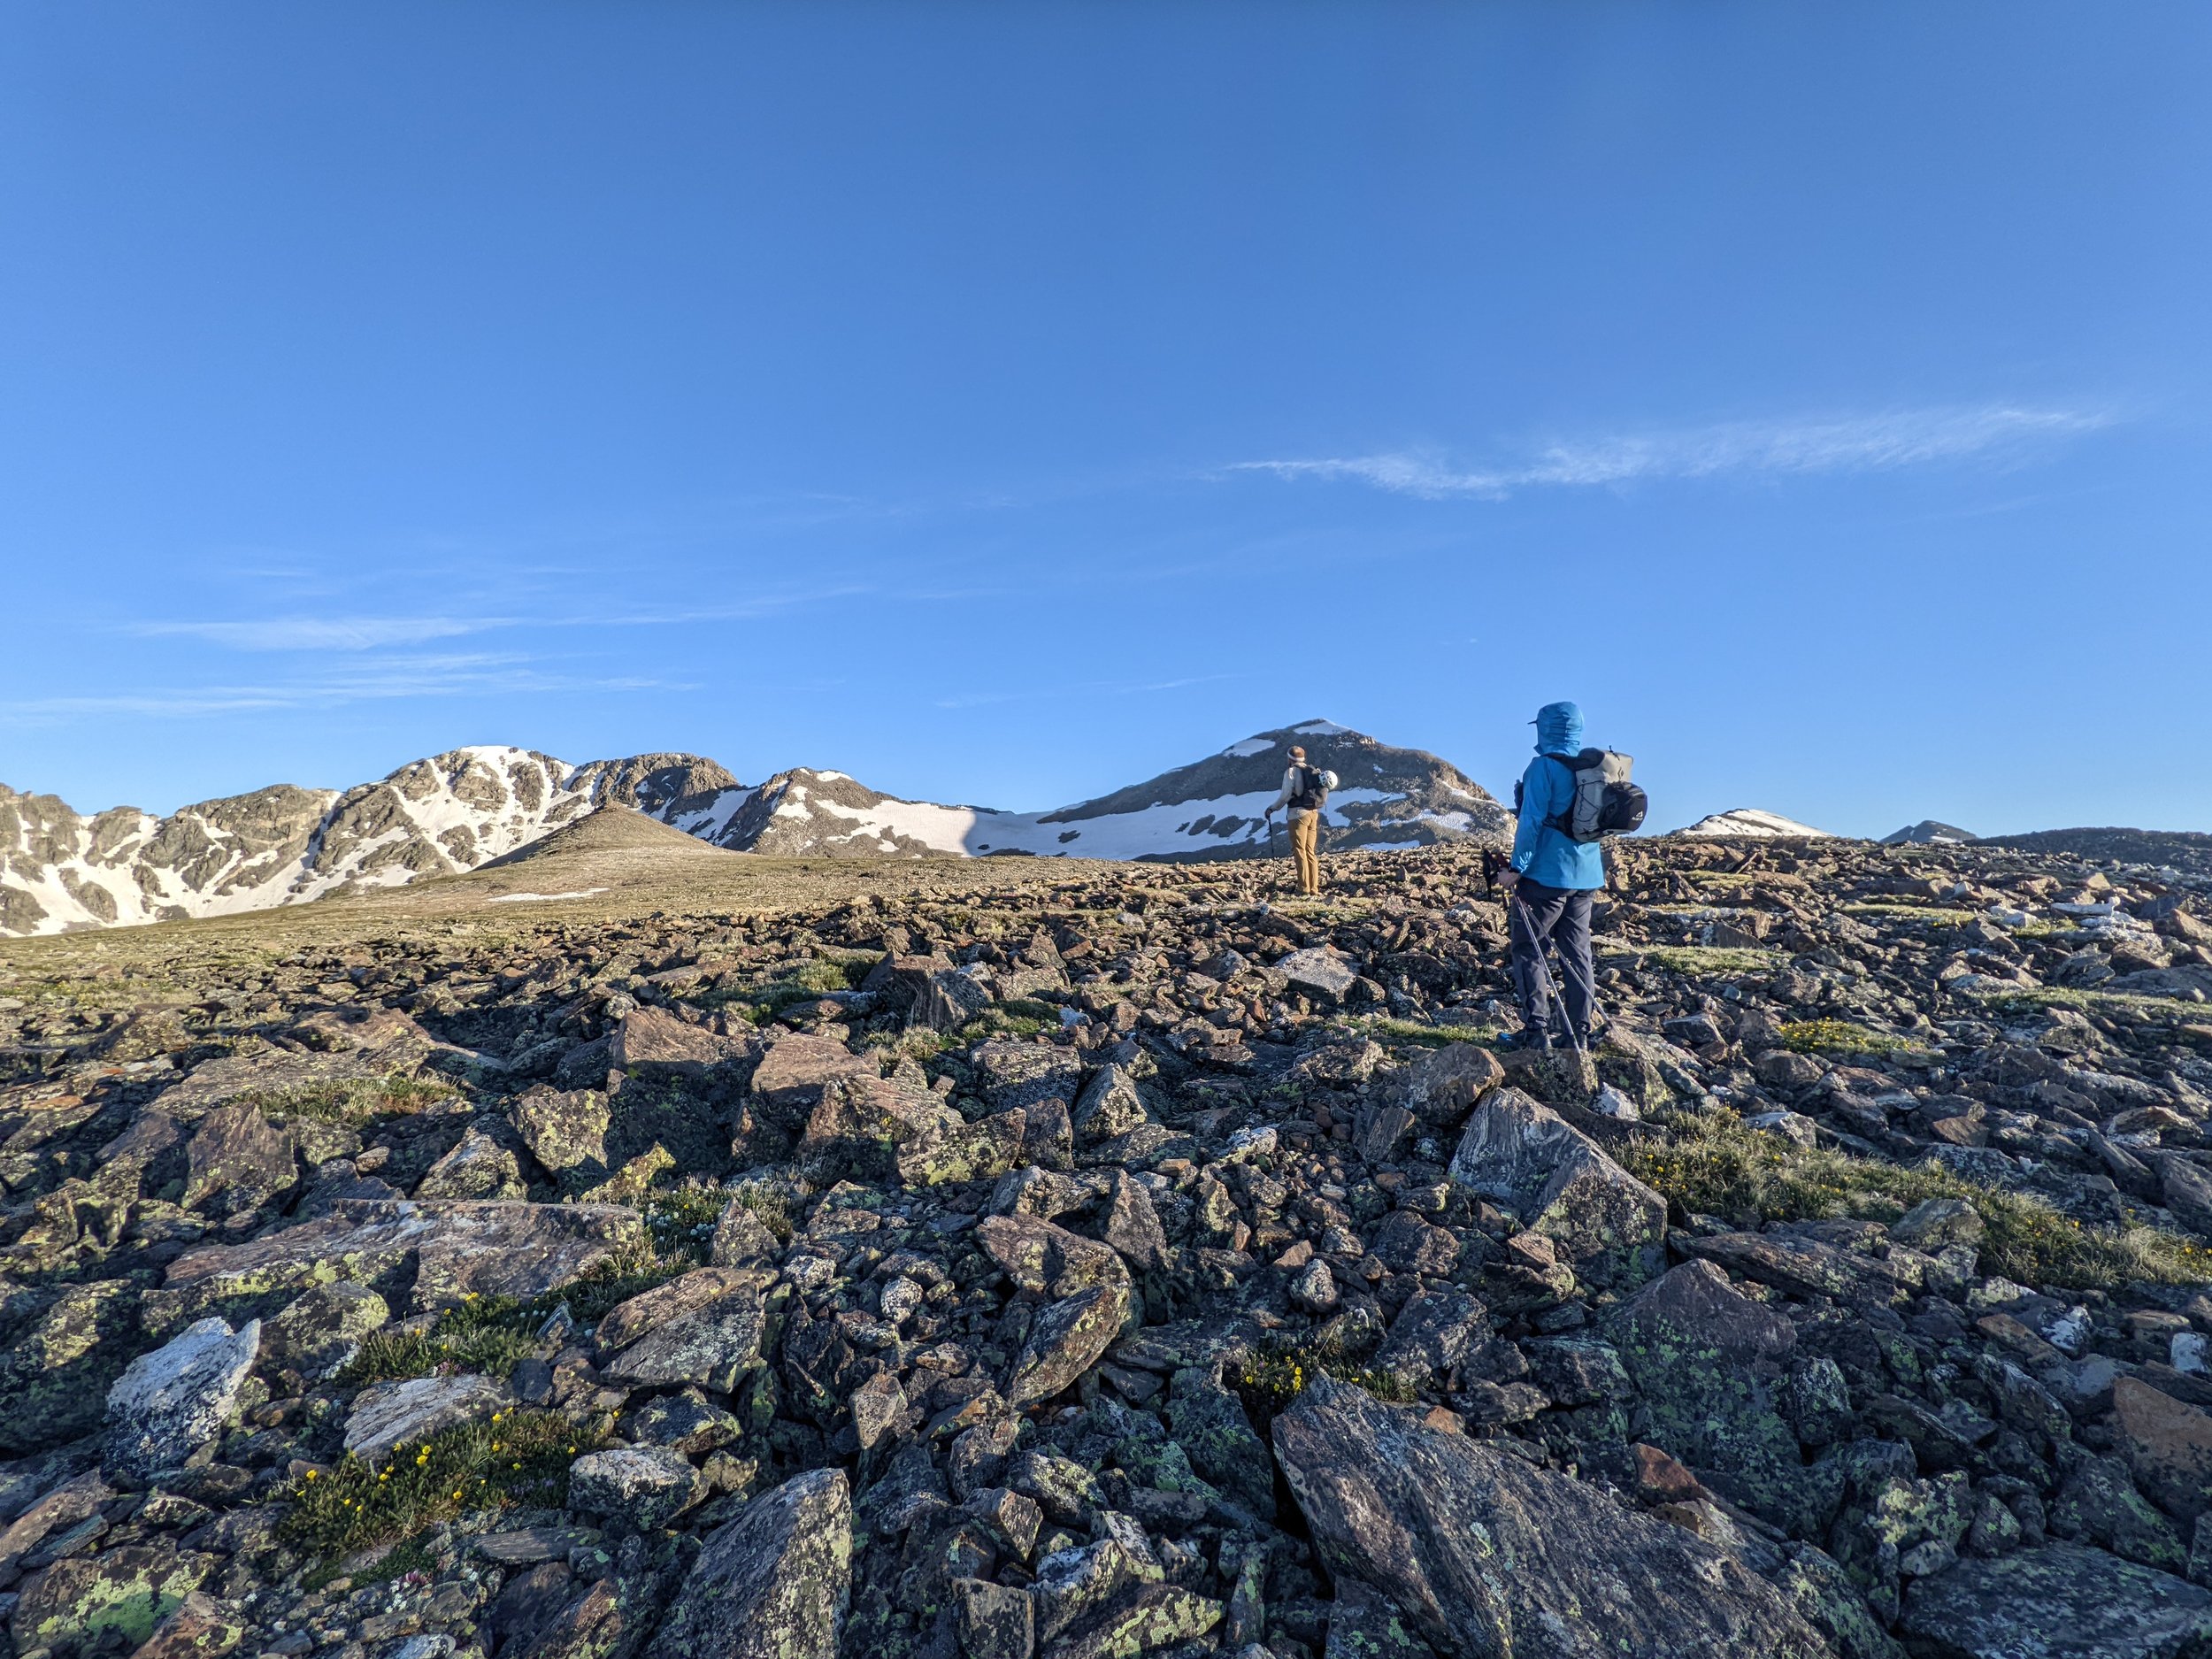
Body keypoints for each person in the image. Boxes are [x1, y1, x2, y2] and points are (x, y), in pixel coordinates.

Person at [1495, 701, 1605, 1049]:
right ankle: (1579, 1034)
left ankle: (1536, 1031)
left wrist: (1516, 869)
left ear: (1545, 729)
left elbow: (1530, 823)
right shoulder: (1592, 768)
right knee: (1578, 953)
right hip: (1586, 878)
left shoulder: (1543, 768)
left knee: (1530, 949)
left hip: (1545, 877)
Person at [1265, 744, 1328, 896]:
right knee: (1310, 852)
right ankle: (1314, 888)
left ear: (1290, 758)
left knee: (1299, 851)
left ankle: (1303, 888)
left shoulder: (1291, 772)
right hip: (1313, 813)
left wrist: (1272, 809)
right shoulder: (1312, 771)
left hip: (1297, 815)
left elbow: (1285, 795)